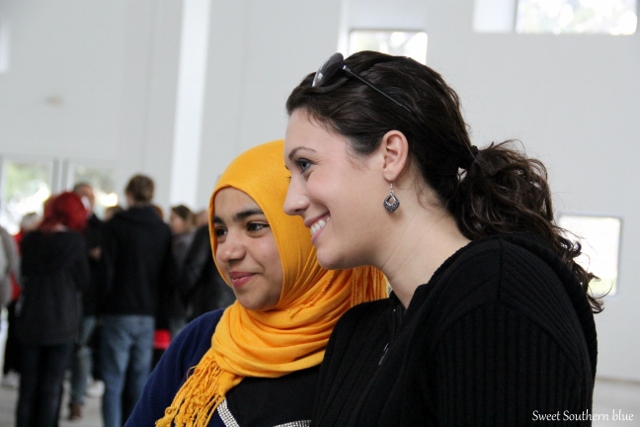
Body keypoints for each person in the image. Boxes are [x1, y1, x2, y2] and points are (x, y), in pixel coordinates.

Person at [283, 51, 600, 426]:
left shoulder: (496, 294)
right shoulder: (360, 335)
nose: (291, 203)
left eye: (306, 165)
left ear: (390, 156)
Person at [125, 140, 387, 426]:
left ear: (309, 227)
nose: (227, 251)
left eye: (254, 226)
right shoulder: (202, 340)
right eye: (220, 231)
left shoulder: (376, 352)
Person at [98, 174, 173, 427]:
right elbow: (168, 275)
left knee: (113, 380)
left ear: (128, 193)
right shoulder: (162, 229)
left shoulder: (115, 225)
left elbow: (106, 271)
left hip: (119, 310)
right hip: (148, 313)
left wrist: (101, 305)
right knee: (140, 381)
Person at [14, 192, 90, 427]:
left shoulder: (30, 240)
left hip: (31, 316)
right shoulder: (75, 243)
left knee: (28, 386)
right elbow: (83, 281)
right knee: (52, 386)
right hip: (61, 319)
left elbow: (22, 274)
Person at [67, 182, 105, 420]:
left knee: (81, 351)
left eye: (90, 196)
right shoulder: (67, 226)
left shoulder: (99, 226)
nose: (86, 201)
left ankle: (76, 400)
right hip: (65, 298)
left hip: (90, 298)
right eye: (82, 196)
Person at [167, 204, 197, 338]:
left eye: (173, 219)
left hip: (179, 304)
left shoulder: (182, 244)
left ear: (184, 221)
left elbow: (177, 274)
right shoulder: (191, 240)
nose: (170, 223)